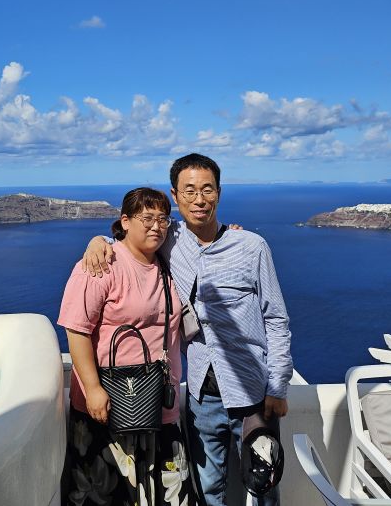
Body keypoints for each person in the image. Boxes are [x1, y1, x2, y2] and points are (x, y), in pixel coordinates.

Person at [81, 154, 292, 506]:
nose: (199, 199)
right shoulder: (170, 239)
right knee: (208, 489)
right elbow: (131, 237)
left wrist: (278, 386)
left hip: (252, 392)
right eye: (189, 191)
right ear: (175, 196)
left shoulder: (251, 247)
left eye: (207, 189)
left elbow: (276, 318)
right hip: (201, 397)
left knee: (264, 486)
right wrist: (98, 241)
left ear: (219, 193)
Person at [59, 187, 195, 506]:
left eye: (163, 219)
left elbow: (202, 236)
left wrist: (232, 234)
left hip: (158, 403)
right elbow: (76, 330)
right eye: (147, 218)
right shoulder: (100, 266)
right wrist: (93, 389)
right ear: (125, 221)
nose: (156, 226)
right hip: (110, 405)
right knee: (108, 495)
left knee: (170, 493)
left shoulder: (166, 263)